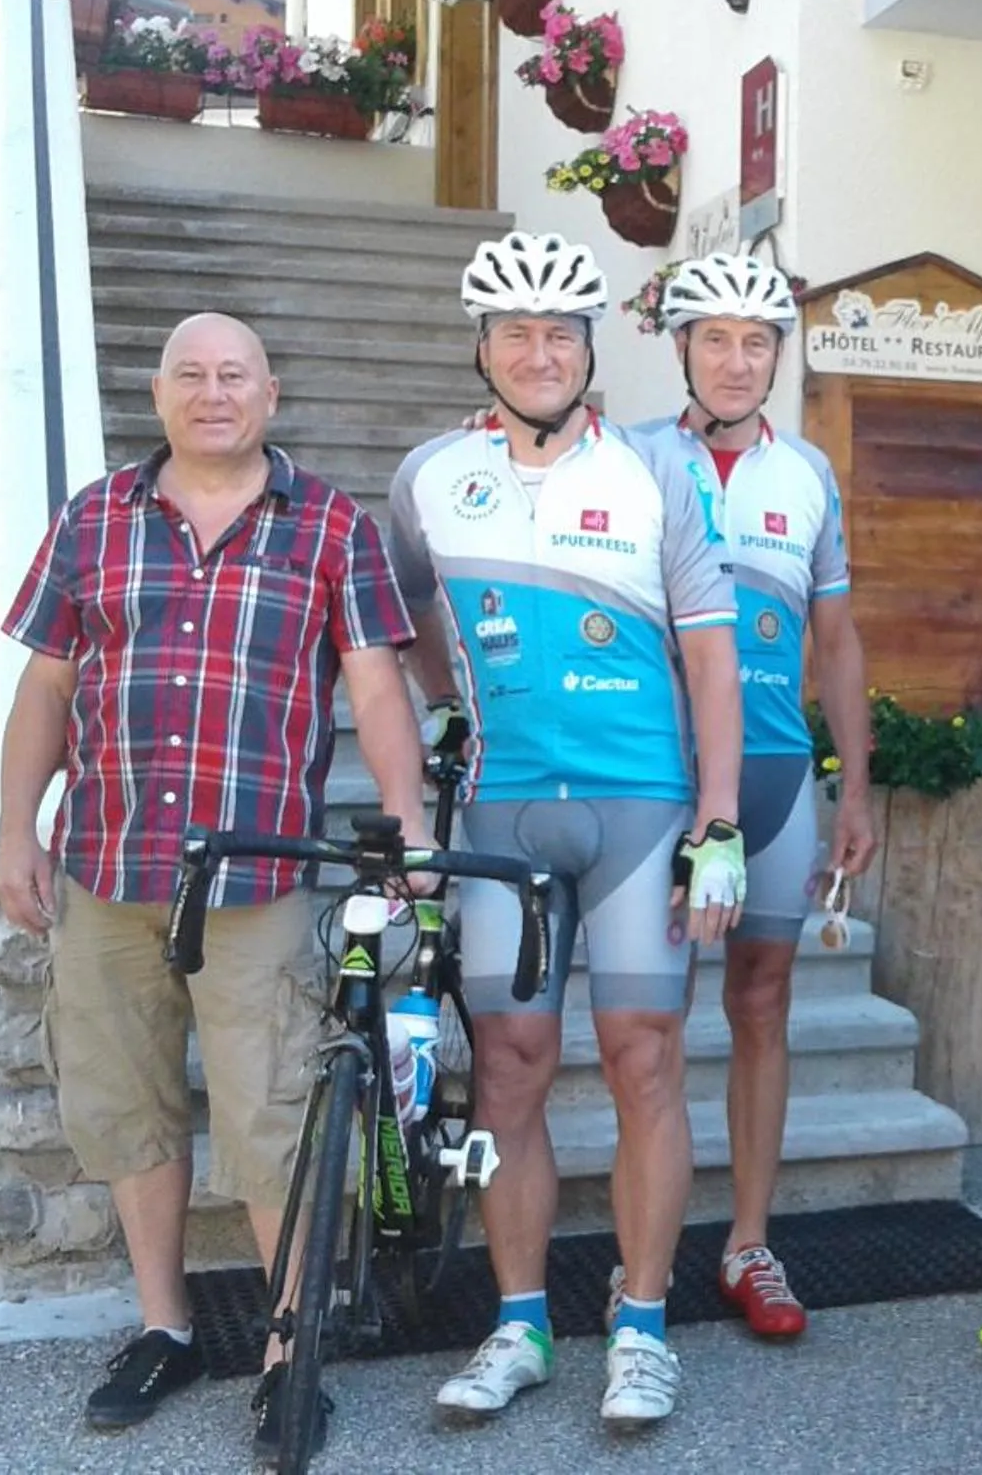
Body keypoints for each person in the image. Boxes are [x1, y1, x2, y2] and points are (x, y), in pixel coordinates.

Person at [0, 312, 431, 1461]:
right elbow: (45, 688)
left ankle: (291, 1351)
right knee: (127, 1102)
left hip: (258, 883)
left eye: (234, 374)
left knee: (274, 1113)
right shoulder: (94, 519)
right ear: (158, 393)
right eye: (191, 373)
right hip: (109, 866)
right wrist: (13, 831)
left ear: (271, 395)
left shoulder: (331, 524)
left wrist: (409, 818)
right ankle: (166, 1324)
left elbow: (378, 687)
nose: (213, 391)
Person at [386, 231, 747, 1429]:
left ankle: (640, 1326)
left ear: (592, 351)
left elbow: (711, 656)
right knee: (506, 1069)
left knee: (645, 1058)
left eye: (560, 333)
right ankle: (519, 1320)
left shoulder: (659, 474)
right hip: (502, 811)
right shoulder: (429, 474)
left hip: (641, 809)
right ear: (479, 347)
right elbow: (409, 619)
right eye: (515, 333)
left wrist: (723, 821)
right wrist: (449, 706)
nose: (538, 353)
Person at [627, 252, 876, 1340]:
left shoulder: (808, 474)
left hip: (777, 777)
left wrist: (853, 782)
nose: (738, 361)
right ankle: (647, 1249)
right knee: (656, 1021)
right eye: (717, 339)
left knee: (764, 1004)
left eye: (758, 342)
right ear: (680, 346)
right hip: (656, 785)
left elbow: (836, 637)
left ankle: (748, 1244)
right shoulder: (625, 459)